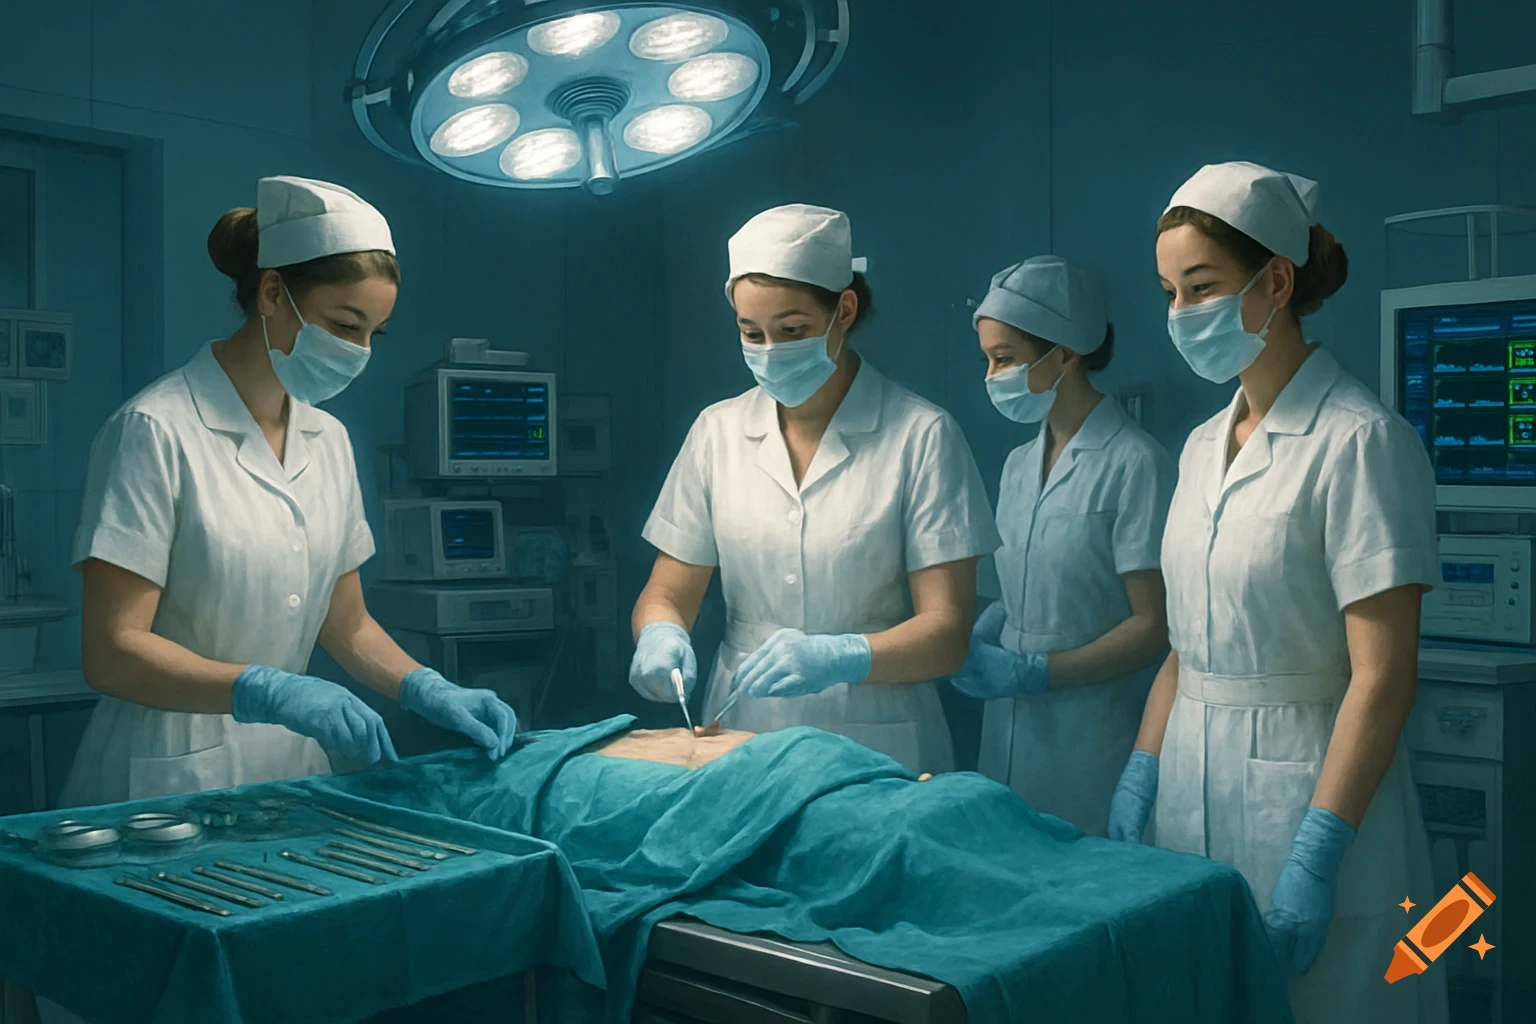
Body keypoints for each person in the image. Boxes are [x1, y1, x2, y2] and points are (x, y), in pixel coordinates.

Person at [1105, 162, 1447, 1024]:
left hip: (1308, 804)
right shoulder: (1196, 449)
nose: (1182, 314)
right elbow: (1187, 646)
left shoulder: (1362, 442)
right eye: (1169, 292)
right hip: (1190, 796)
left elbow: (1384, 677)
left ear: (1277, 281)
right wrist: (1140, 775)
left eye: (1202, 287)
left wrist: (1318, 854)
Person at [62, 176, 518, 809]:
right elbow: (111, 653)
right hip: (166, 774)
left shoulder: (326, 438)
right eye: (343, 324)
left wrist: (425, 686)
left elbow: (346, 621)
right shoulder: (155, 430)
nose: (358, 352)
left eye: (372, 333)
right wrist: (265, 689)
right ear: (273, 292)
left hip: (290, 764)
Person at [626, 204, 1000, 773]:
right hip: (743, 725)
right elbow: (669, 591)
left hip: (881, 741)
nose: (771, 350)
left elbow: (947, 634)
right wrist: (658, 633)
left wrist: (844, 655)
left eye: (793, 330)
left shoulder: (922, 435)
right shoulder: (716, 433)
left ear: (843, 310)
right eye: (751, 333)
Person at [954, 256, 1173, 836]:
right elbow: (1013, 591)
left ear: (1066, 355)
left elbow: (1153, 626)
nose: (990, 375)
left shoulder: (1135, 463)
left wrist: (1035, 672)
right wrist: (981, 634)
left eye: (1005, 359)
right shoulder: (1017, 465)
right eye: (987, 359)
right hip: (1005, 736)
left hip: (1092, 738)